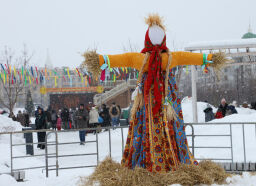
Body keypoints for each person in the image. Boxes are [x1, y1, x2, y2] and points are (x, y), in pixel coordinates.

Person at [83, 14, 228, 173]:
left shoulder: (140, 59)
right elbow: (191, 57)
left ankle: (148, 161)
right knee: (171, 126)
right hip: (167, 99)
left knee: (146, 126)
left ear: (147, 40)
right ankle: (172, 159)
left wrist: (100, 60)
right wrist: (212, 58)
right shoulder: (172, 57)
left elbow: (120, 59)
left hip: (147, 101)